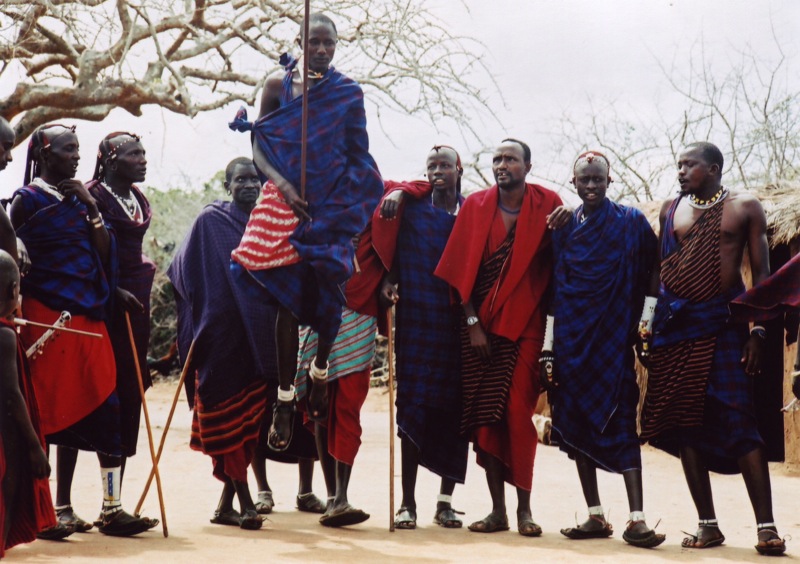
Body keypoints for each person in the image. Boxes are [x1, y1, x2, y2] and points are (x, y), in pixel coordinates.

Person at [229, 13, 383, 455]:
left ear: (337, 45)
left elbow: (358, 151)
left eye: (328, 44)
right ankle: (283, 398)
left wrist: (347, 199)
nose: (320, 50)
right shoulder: (279, 86)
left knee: (329, 293)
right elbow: (257, 144)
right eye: (313, 42)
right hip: (284, 196)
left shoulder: (348, 93)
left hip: (330, 201)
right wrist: (284, 185)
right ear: (299, 41)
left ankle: (318, 371)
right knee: (285, 298)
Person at [639, 142, 786, 556]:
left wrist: (758, 332)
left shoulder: (744, 207)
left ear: (715, 168)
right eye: (679, 165)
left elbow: (762, 275)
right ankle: (708, 525)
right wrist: (648, 324)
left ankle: (766, 527)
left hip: (722, 326)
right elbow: (658, 274)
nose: (681, 171)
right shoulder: (671, 209)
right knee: (686, 424)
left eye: (690, 165)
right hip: (674, 328)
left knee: (740, 421)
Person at [8, 124, 150, 537]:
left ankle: (112, 507)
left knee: (107, 403)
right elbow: (15, 262)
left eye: (77, 149)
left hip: (89, 314)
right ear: (45, 154)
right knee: (48, 413)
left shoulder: (82, 199)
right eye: (67, 149)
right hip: (45, 318)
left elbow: (104, 253)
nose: (75, 155)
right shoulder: (26, 201)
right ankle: (49, 510)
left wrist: (90, 206)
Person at [434, 139, 562, 537]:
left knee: (517, 416)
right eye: (497, 159)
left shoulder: (548, 204)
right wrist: (472, 322)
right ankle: (498, 511)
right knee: (485, 417)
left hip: (525, 325)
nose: (502, 165)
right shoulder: (475, 205)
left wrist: (570, 220)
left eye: (510, 159)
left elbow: (561, 260)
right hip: (479, 330)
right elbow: (459, 271)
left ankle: (525, 509)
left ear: (528, 164)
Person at [542, 151, 663, 547]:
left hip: (613, 342)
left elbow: (653, 272)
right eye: (584, 180)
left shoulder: (630, 224)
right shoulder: (562, 229)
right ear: (573, 182)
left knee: (622, 421)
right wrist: (549, 346)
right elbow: (554, 291)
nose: (591, 186)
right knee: (576, 424)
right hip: (572, 344)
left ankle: (637, 519)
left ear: (610, 181)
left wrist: (645, 323)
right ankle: (594, 515)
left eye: (597, 179)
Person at [56, 133, 156, 530]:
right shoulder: (89, 196)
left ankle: (111, 506)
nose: (143, 160)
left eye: (143, 152)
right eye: (134, 154)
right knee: (84, 398)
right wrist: (111, 291)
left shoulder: (138, 200)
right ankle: (61, 504)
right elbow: (78, 255)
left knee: (127, 401)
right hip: (97, 311)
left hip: (135, 313)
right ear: (111, 160)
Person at [168, 158, 272, 530]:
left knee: (248, 424)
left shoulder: (268, 224)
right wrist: (204, 312)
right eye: (240, 179)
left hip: (257, 337)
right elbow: (179, 271)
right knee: (226, 419)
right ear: (227, 185)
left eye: (254, 179)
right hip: (218, 336)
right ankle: (246, 504)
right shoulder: (209, 222)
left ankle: (226, 506)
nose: (248, 185)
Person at [378, 146, 468, 530]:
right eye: (431, 166)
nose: (437, 172)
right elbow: (395, 253)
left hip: (459, 323)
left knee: (455, 411)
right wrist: (389, 281)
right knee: (412, 407)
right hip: (416, 320)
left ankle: (445, 502)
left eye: (444, 165)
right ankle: (408, 502)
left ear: (459, 169)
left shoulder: (472, 212)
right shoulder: (413, 210)